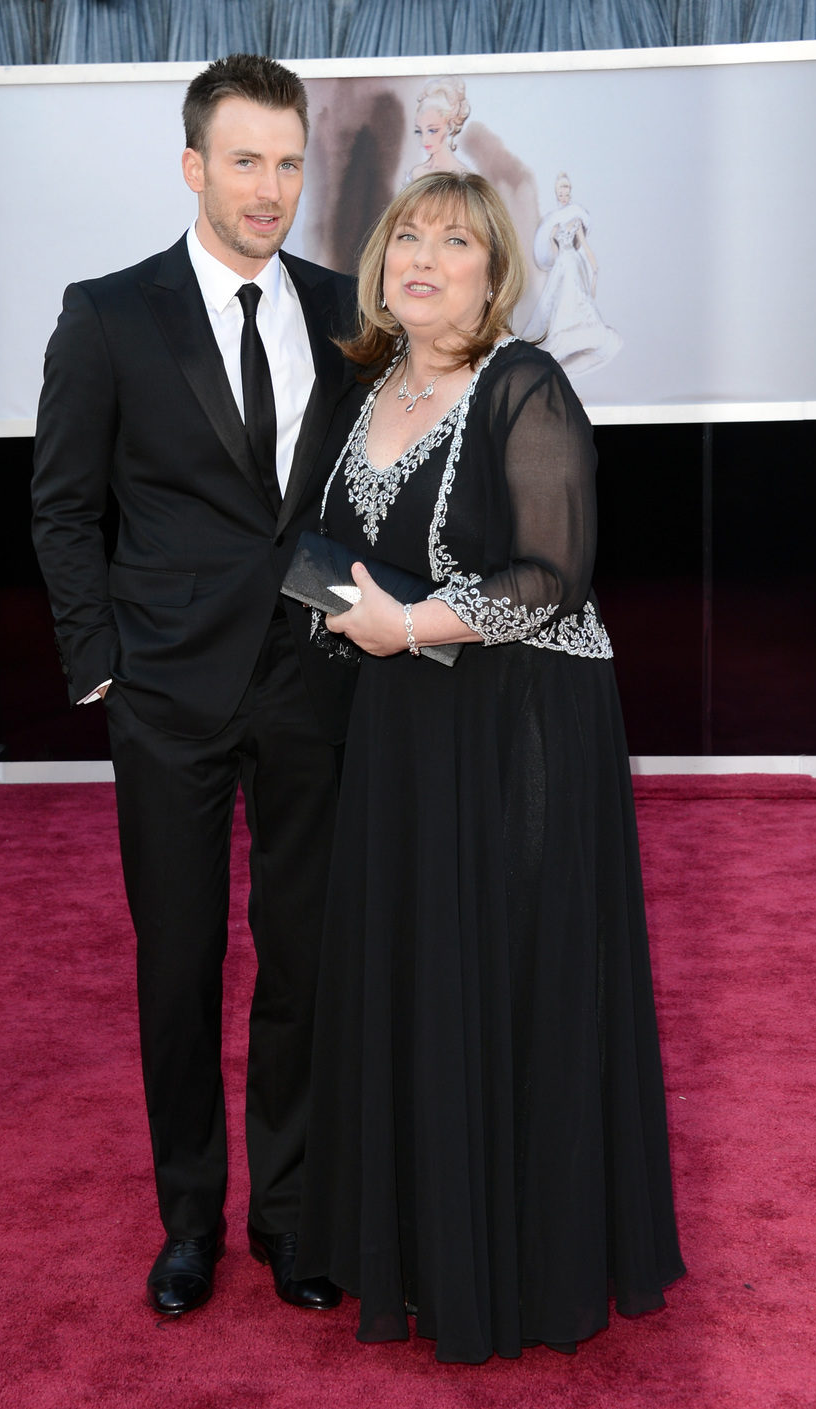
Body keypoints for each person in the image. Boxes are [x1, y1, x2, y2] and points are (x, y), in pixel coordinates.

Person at [294, 172, 684, 1363]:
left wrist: (404, 627)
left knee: (510, 974)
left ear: (492, 267)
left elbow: (552, 575)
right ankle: (426, 1245)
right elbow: (348, 556)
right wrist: (337, 609)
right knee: (424, 972)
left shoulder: (525, 382)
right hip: (409, 734)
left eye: (453, 240)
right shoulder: (374, 390)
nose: (422, 257)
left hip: (520, 729)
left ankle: (516, 1262)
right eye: (406, 236)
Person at [31, 54, 360, 1319]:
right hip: (164, 693)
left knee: (305, 961)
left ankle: (288, 1214)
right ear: (193, 167)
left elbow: (346, 501)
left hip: (311, 686)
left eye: (288, 161)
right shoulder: (109, 313)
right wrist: (99, 664)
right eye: (245, 160)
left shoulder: (344, 308)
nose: (270, 187)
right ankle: (189, 1220)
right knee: (179, 963)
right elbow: (63, 505)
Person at [521, 172, 623, 374]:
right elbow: (556, 252)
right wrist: (551, 239)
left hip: (573, 264)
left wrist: (594, 269)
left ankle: (583, 337)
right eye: (560, 190)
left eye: (566, 188)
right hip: (561, 265)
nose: (563, 193)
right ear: (556, 193)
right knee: (559, 303)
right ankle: (562, 343)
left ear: (570, 190)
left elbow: (584, 246)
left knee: (577, 297)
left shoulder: (576, 216)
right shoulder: (553, 220)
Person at [406, 77, 471, 182]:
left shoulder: (463, 175)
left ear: (449, 126)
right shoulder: (416, 173)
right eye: (420, 131)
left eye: (432, 130)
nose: (424, 140)